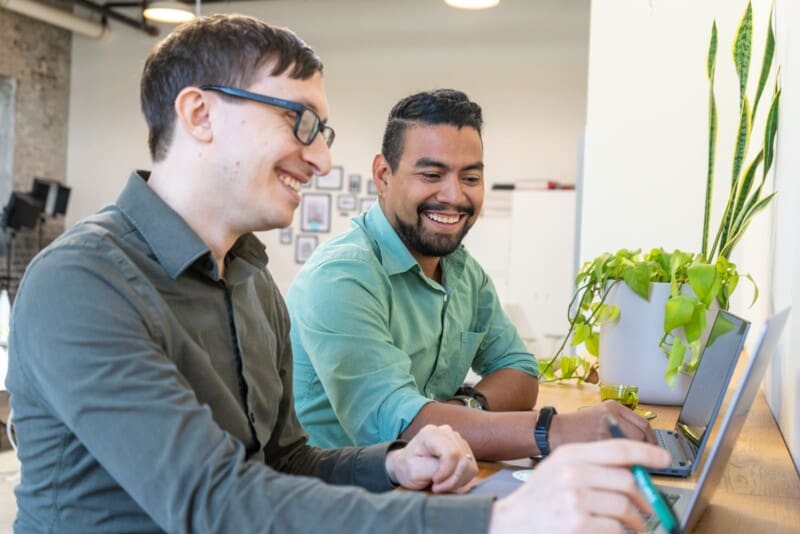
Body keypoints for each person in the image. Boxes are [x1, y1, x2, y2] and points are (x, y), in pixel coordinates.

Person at [7, 14, 671, 534]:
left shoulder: (250, 282)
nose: (322, 158)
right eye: (300, 122)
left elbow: (288, 463)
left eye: (323, 131)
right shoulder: (83, 283)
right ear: (199, 115)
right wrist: (500, 519)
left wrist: (392, 464)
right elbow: (216, 503)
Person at [287, 89, 655, 460]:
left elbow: (520, 371)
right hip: (345, 499)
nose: (453, 195)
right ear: (383, 175)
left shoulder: (464, 273)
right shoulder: (341, 276)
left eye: (471, 178)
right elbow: (398, 426)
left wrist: (467, 407)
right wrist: (555, 430)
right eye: (432, 174)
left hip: (431, 482)